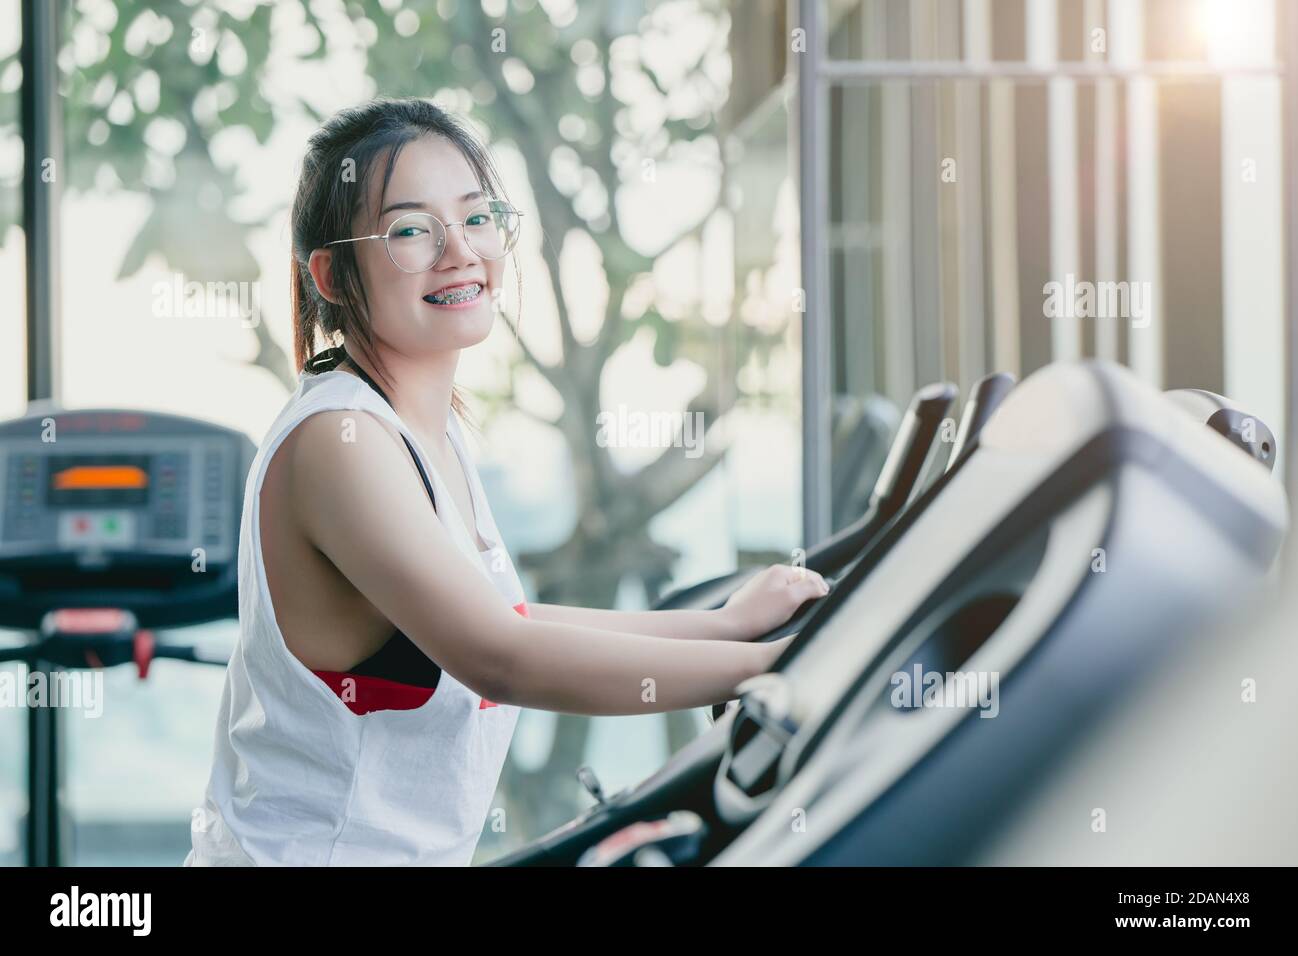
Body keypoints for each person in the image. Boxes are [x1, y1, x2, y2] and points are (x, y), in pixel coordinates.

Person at [185, 97, 826, 866]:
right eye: (412, 230)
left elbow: (509, 617)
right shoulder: (339, 440)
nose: (460, 252)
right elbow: (502, 656)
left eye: (478, 218)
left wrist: (724, 627)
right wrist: (777, 671)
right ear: (331, 272)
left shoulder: (430, 428)